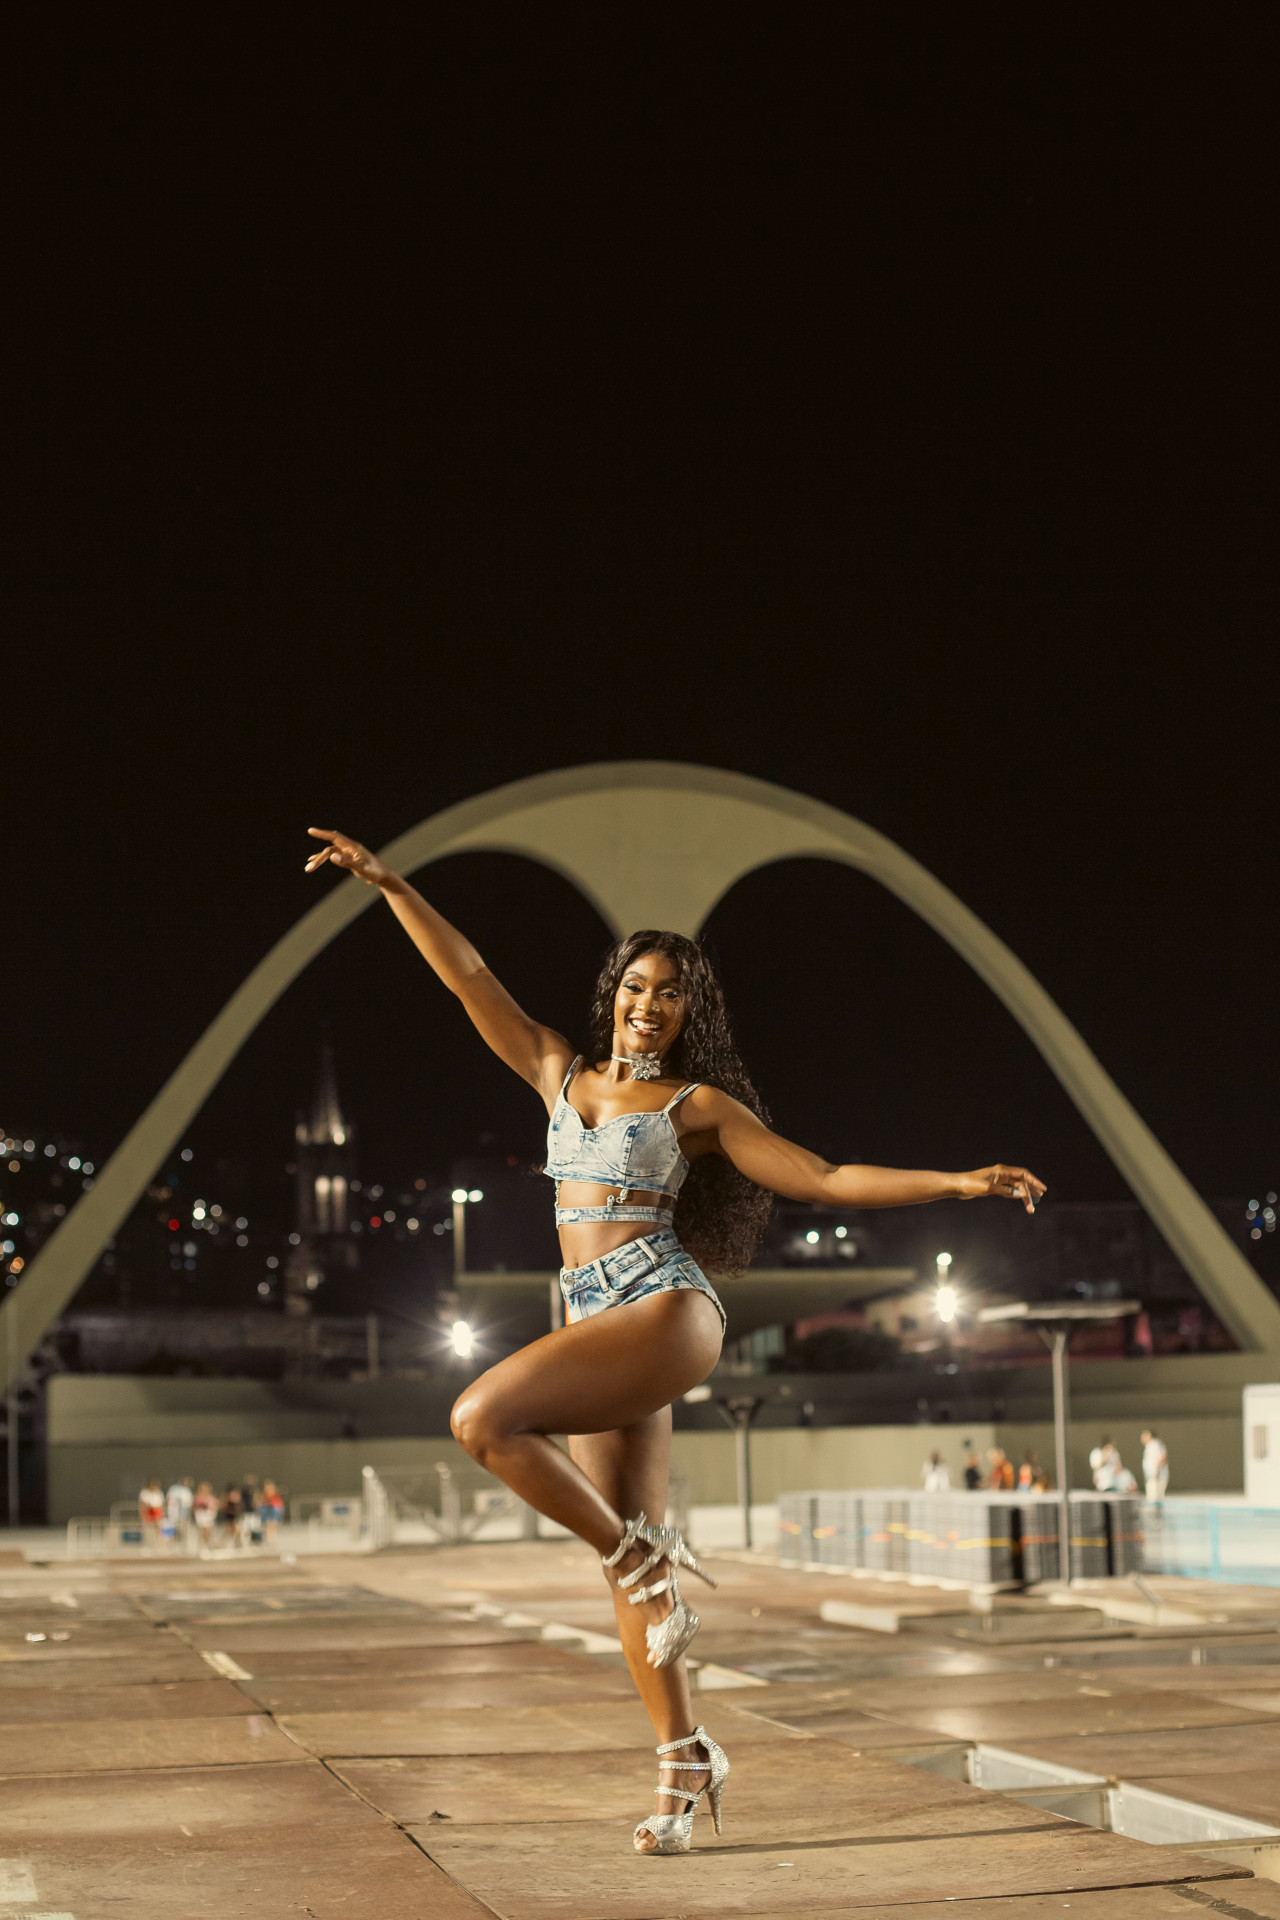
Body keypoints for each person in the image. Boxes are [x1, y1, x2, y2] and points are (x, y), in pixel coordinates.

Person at [303, 825, 1046, 1856]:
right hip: (592, 1319)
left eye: (669, 994)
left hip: (663, 1307)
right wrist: (390, 884)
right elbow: (468, 975)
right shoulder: (556, 1073)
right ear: (611, 993)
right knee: (634, 1579)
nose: (647, 1005)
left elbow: (824, 1178)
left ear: (690, 1013)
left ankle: (634, 1549)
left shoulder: (696, 1107)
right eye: (635, 986)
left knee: (481, 1418)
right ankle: (685, 1761)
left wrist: (958, 1182)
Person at [167, 1475, 195, 1552]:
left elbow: (189, 1504)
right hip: (175, 1514)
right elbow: (171, 1500)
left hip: (185, 1515)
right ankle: (172, 1545)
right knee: (174, 1531)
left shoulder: (188, 1491)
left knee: (183, 1531)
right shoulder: (174, 1489)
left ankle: (183, 1547)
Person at [1141, 1428, 1169, 1501]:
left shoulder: (1155, 1444)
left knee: (1155, 1498)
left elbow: (1163, 1458)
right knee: (1151, 1497)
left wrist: (1156, 1472)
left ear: (1149, 1435)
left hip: (1157, 1476)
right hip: (1152, 1476)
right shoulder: (1149, 1446)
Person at [138, 1477, 166, 1549]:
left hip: (157, 1511)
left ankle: (160, 1545)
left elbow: (161, 1504)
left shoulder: (159, 1493)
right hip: (149, 1511)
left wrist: (162, 1513)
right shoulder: (145, 1493)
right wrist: (142, 1514)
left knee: (159, 1529)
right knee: (148, 1529)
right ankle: (147, 1545)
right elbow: (142, 1504)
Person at [193, 1480, 218, 1551]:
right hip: (201, 1515)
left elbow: (214, 1506)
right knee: (203, 1531)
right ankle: (200, 1547)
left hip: (208, 1515)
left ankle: (207, 1545)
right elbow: (197, 1505)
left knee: (208, 1531)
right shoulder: (198, 1496)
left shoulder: (211, 1497)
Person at [260, 1479, 285, 1545]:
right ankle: (268, 1539)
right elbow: (262, 1503)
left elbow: (279, 1504)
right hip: (268, 1509)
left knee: (273, 1525)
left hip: (274, 1510)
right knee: (268, 1525)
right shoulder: (264, 1495)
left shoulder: (275, 1495)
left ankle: (272, 1539)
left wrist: (279, 1511)